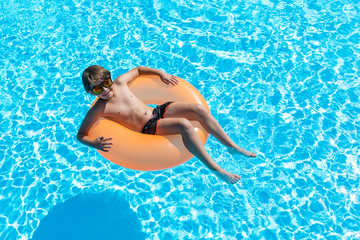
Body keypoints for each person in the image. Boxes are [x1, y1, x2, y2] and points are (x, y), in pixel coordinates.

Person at [77, 65, 256, 184]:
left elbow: (138, 70)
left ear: (110, 77)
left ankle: (232, 147)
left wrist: (160, 73)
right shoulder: (98, 109)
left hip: (157, 111)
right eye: (98, 89)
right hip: (146, 127)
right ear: (90, 92)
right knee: (184, 125)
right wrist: (94, 143)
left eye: (107, 83)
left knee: (198, 110)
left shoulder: (121, 83)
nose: (107, 90)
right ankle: (216, 169)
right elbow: (80, 135)